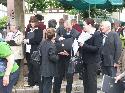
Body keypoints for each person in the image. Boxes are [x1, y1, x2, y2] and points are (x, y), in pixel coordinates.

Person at [53, 20, 80, 93]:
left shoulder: (76, 33)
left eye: (68, 28)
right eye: (65, 28)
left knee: (69, 78)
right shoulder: (60, 29)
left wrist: (69, 53)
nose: (67, 30)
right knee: (58, 77)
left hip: (69, 59)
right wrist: (59, 38)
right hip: (60, 57)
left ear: (72, 24)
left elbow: (77, 47)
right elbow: (55, 37)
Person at [79, 18, 102, 93]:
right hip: (85, 61)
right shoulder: (85, 34)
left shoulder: (97, 34)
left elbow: (96, 48)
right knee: (85, 81)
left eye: (84, 25)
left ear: (89, 25)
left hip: (92, 62)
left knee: (92, 82)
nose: (83, 26)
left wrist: (83, 45)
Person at [24, 16, 43, 87]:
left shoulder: (39, 30)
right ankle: (30, 82)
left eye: (33, 22)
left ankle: (37, 82)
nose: (31, 23)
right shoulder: (28, 30)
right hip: (28, 51)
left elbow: (38, 40)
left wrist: (28, 40)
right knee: (30, 67)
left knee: (36, 67)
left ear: (36, 22)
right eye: (30, 22)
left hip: (35, 51)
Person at [39, 28, 58, 93]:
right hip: (49, 69)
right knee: (47, 86)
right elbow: (52, 57)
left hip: (42, 67)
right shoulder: (52, 45)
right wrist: (58, 57)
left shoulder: (42, 43)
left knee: (43, 84)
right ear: (54, 36)